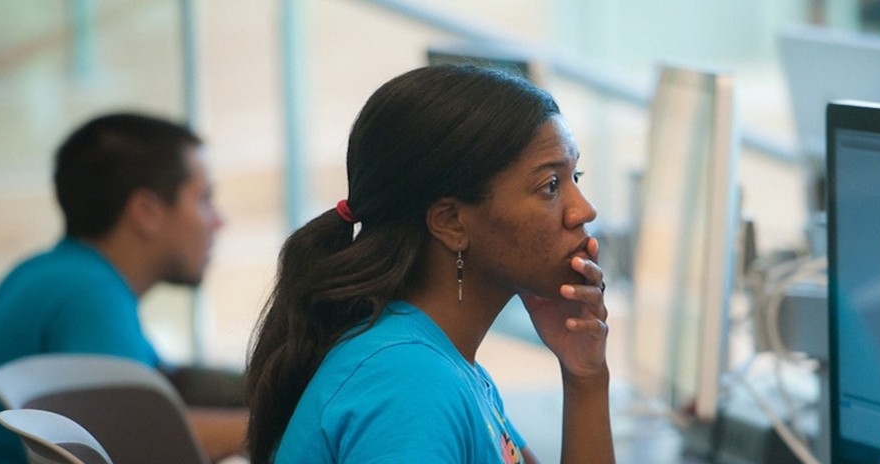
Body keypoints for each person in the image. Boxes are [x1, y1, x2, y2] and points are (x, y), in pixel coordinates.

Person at [245, 65, 614, 463]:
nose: (584, 210)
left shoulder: (444, 366)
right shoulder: (408, 385)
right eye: (551, 185)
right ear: (451, 222)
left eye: (575, 176)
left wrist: (585, 376)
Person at [0, 112, 247, 463]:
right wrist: (274, 425)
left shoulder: (48, 270)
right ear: (146, 212)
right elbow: (132, 436)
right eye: (204, 199)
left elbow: (165, 385)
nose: (218, 221)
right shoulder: (88, 294)